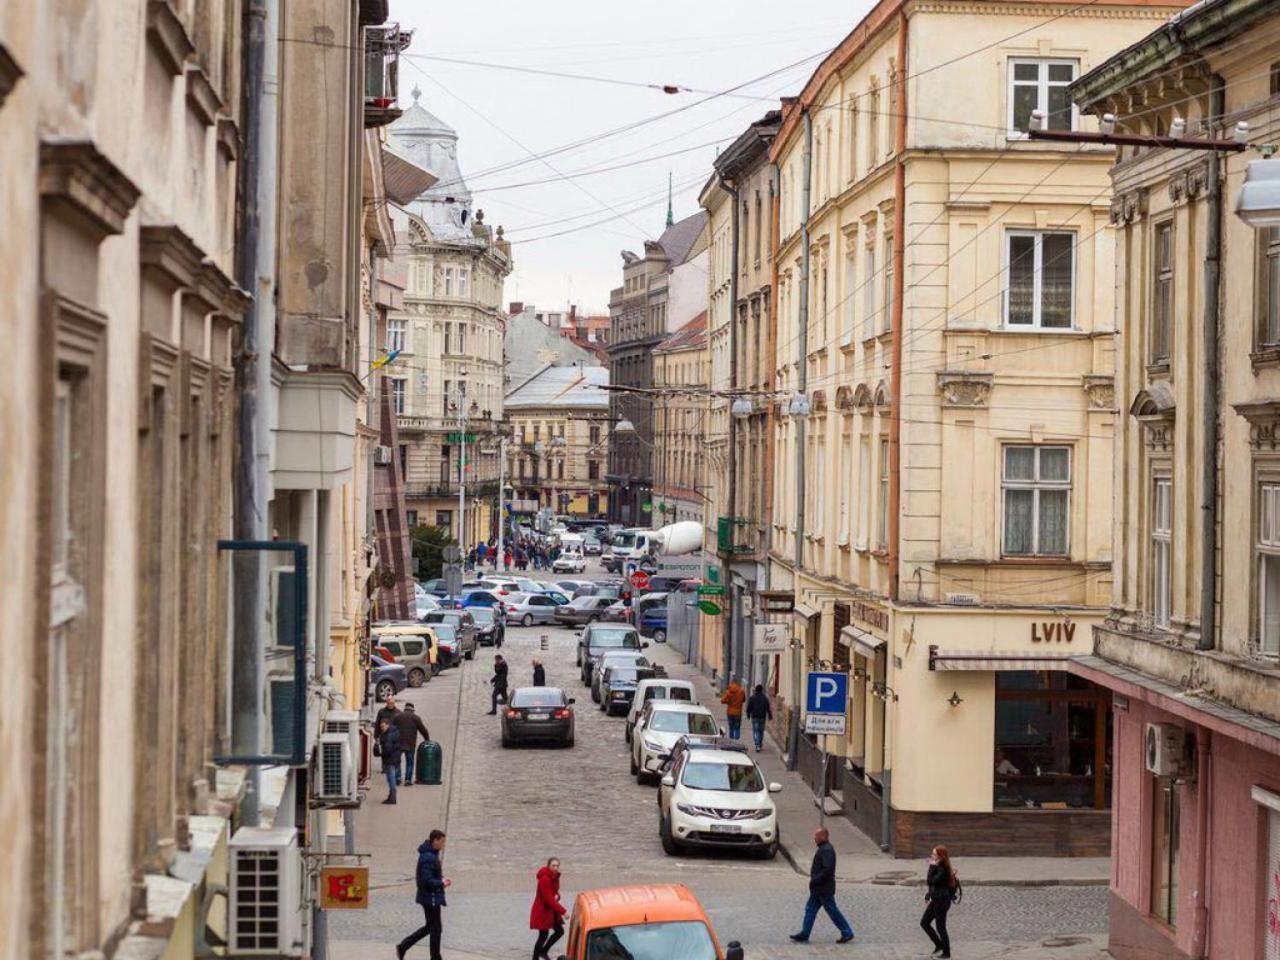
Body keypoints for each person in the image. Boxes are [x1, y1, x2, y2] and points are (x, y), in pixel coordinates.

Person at [791, 828, 855, 944]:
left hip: (823, 888)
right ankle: (805, 933)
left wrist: (816, 879)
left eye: (816, 836)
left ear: (823, 837)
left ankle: (847, 932)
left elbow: (828, 869)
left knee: (832, 910)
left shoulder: (826, 850)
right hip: (818, 889)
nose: (814, 838)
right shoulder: (823, 849)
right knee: (810, 909)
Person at [397, 829, 451, 960]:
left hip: (430, 896)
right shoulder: (428, 857)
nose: (444, 845)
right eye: (442, 842)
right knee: (436, 929)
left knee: (430, 927)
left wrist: (441, 879)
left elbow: (431, 875)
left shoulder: (431, 854)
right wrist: (441, 883)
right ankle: (435, 957)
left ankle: (403, 946)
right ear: (435, 841)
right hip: (430, 897)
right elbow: (426, 880)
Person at [529, 857, 567, 960]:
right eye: (553, 865)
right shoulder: (544, 878)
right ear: (548, 866)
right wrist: (563, 911)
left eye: (557, 866)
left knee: (559, 931)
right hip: (543, 911)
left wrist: (557, 896)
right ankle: (536, 957)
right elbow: (548, 899)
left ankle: (543, 952)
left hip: (551, 910)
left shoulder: (554, 877)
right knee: (543, 935)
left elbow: (554, 894)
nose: (555, 868)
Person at [921, 845, 956, 957]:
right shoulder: (938, 866)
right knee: (924, 922)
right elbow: (934, 885)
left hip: (942, 900)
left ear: (940, 857)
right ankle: (939, 944)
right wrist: (928, 895)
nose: (932, 856)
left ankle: (946, 953)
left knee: (941, 927)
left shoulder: (942, 869)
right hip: (936, 898)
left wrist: (932, 867)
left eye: (934, 854)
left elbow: (931, 881)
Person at [395, 702, 431, 786]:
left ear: (405, 708)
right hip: (410, 743)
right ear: (413, 710)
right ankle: (408, 780)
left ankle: (398, 778)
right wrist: (427, 739)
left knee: (397, 761)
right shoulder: (416, 718)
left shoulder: (397, 717)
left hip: (398, 743)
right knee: (410, 762)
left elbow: (392, 728)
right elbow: (423, 730)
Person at [376, 718, 401, 805]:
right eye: (381, 726)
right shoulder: (393, 732)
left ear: (387, 725)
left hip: (390, 759)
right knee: (390, 778)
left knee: (391, 779)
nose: (382, 728)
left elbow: (388, 748)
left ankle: (392, 797)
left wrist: (381, 753)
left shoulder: (389, 735)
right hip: (394, 759)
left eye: (383, 726)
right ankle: (391, 796)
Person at [745, 684, 773, 752]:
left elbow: (749, 707)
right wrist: (770, 715)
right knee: (761, 731)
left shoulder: (752, 698)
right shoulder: (765, 698)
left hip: (755, 717)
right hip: (762, 717)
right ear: (761, 690)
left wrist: (748, 715)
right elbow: (767, 707)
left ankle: (757, 745)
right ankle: (759, 744)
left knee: (755, 731)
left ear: (755, 690)